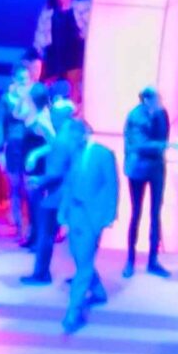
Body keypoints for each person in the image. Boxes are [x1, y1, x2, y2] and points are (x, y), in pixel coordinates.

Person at [61, 128, 121, 333]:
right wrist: (62, 212)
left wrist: (110, 215)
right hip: (75, 213)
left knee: (84, 264)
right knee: (79, 257)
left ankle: (73, 310)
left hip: (93, 216)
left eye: (73, 136)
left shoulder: (103, 154)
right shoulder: (74, 153)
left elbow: (113, 185)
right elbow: (68, 185)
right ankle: (98, 291)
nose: (70, 140)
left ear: (84, 134)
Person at [24, 106, 87, 285]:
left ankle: (41, 274)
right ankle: (85, 276)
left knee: (45, 234)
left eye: (53, 115)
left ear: (59, 116)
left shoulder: (61, 140)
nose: (51, 118)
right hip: (77, 192)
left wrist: (38, 181)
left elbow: (55, 173)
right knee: (78, 238)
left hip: (58, 195)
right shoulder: (76, 134)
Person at [123, 85, 170, 279]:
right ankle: (130, 260)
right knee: (136, 213)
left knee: (155, 213)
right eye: (157, 99)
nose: (160, 102)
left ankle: (153, 259)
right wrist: (164, 145)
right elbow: (139, 144)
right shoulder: (136, 116)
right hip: (138, 169)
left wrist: (163, 145)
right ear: (146, 100)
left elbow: (164, 135)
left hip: (156, 168)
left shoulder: (161, 114)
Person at [0, 56, 47, 246]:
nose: (24, 83)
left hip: (30, 146)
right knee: (15, 187)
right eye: (20, 79)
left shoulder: (34, 96)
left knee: (31, 189)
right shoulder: (7, 99)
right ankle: (21, 228)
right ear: (14, 79)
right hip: (13, 147)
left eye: (26, 79)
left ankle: (34, 230)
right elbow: (0, 123)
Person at [33, 0, 91, 91]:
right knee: (53, 87)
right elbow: (41, 34)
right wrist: (38, 51)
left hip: (75, 56)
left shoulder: (81, 8)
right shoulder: (48, 13)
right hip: (55, 57)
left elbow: (90, 25)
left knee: (74, 87)